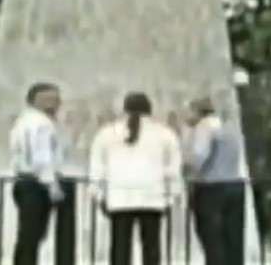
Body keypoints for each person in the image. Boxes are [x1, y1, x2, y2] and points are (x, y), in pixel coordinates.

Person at [90, 92, 183, 265]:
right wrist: (171, 197)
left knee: (119, 246)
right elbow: (173, 169)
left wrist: (98, 194)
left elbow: (97, 167)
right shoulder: (165, 134)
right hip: (153, 196)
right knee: (152, 246)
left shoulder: (107, 133)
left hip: (119, 196)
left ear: (124, 109)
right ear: (150, 110)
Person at [182, 96, 247, 265]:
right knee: (232, 238)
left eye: (188, 111)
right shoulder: (227, 127)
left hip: (211, 187)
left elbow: (199, 156)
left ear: (197, 112)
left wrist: (186, 168)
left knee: (212, 237)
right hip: (235, 184)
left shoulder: (204, 127)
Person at [10, 81, 65, 265]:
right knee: (33, 234)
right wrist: (52, 186)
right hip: (36, 183)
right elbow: (42, 157)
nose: (56, 103)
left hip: (23, 181)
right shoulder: (42, 124)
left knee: (27, 234)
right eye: (49, 99)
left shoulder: (23, 121)